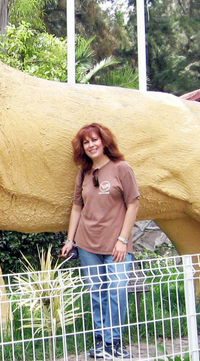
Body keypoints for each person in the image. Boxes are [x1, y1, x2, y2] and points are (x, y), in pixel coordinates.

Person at [61, 123, 140, 359]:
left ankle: (114, 342)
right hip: (87, 245)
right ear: (82, 148)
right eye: (86, 142)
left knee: (117, 289)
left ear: (104, 142)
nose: (91, 145)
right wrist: (70, 240)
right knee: (97, 291)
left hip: (117, 246)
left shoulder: (121, 168)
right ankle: (100, 342)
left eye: (94, 140)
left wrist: (123, 240)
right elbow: (77, 207)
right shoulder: (83, 174)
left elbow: (134, 204)